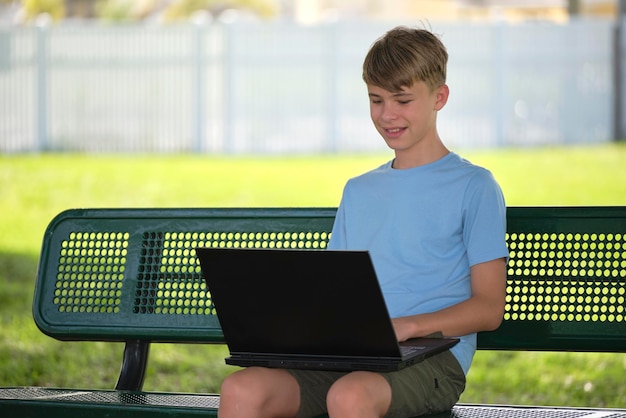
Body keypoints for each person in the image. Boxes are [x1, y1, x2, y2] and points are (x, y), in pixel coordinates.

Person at [217, 25, 509, 418]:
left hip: (432, 361)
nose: (387, 115)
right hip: (348, 356)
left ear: (439, 97)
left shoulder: (474, 187)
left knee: (351, 396)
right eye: (376, 100)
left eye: (403, 100)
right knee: (242, 389)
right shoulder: (358, 191)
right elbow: (336, 292)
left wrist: (407, 326)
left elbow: (489, 309)